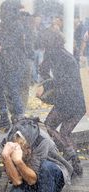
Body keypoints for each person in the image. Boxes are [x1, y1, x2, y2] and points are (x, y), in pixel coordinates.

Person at [2, 118, 73, 192]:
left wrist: (18, 161)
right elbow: (16, 181)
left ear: (28, 144)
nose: (19, 149)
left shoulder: (41, 141)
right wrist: (6, 157)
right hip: (29, 174)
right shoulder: (5, 144)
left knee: (46, 168)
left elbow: (32, 180)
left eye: (23, 147)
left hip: (54, 176)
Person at [37, 29, 86, 177]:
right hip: (79, 100)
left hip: (69, 99)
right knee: (64, 133)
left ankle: (69, 159)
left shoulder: (58, 56)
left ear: (48, 41)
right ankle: (73, 161)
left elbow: (62, 80)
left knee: (49, 126)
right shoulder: (63, 54)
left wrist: (46, 87)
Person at [0, 0, 34, 128]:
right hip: (6, 62)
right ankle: (5, 116)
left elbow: (8, 42)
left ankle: (20, 120)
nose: (1, 13)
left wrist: (0, 41)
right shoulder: (5, 24)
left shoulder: (17, 24)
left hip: (15, 63)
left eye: (3, 10)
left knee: (13, 89)